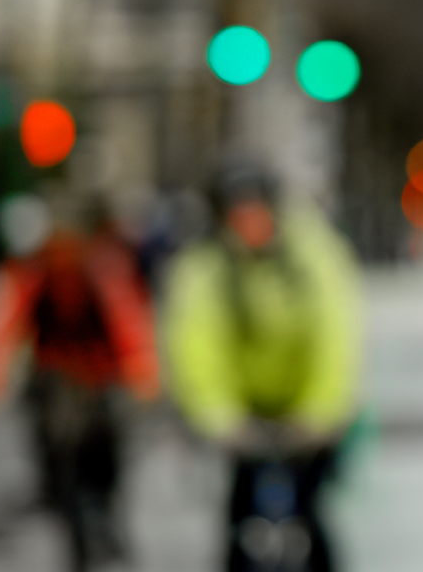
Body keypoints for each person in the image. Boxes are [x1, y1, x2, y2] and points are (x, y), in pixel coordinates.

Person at [163, 165, 361, 572]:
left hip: (306, 410)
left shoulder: (312, 254)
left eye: (256, 212)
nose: (249, 225)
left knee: (310, 515)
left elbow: (336, 333)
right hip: (245, 412)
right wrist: (217, 416)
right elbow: (195, 341)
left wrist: (323, 410)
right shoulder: (206, 266)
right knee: (241, 523)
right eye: (237, 216)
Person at [0, 195, 158, 571]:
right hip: (54, 375)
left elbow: (125, 319)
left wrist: (140, 370)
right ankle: (67, 515)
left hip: (97, 375)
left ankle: (108, 518)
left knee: (107, 453)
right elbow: (8, 324)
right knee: (54, 449)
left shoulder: (102, 269)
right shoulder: (34, 272)